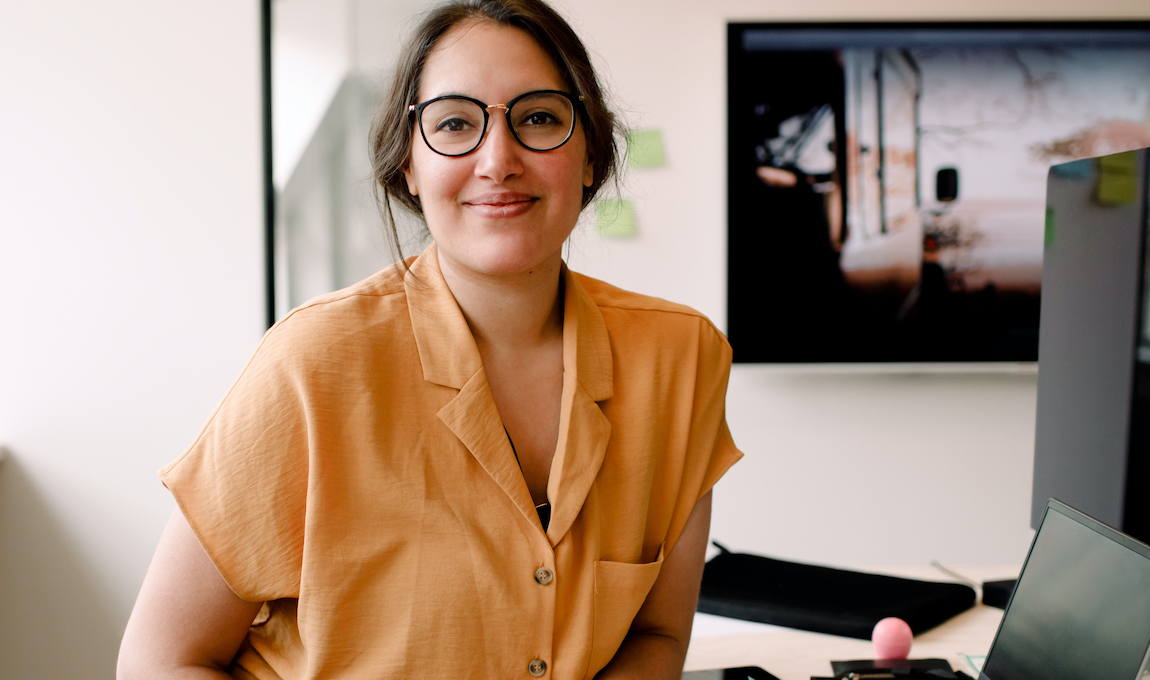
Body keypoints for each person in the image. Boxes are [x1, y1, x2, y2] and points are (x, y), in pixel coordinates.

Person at [116, 1, 741, 678]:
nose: (498, 160)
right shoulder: (311, 363)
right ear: (408, 167)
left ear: (590, 152)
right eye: (454, 124)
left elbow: (655, 637)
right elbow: (159, 661)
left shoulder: (682, 359)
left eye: (537, 118)